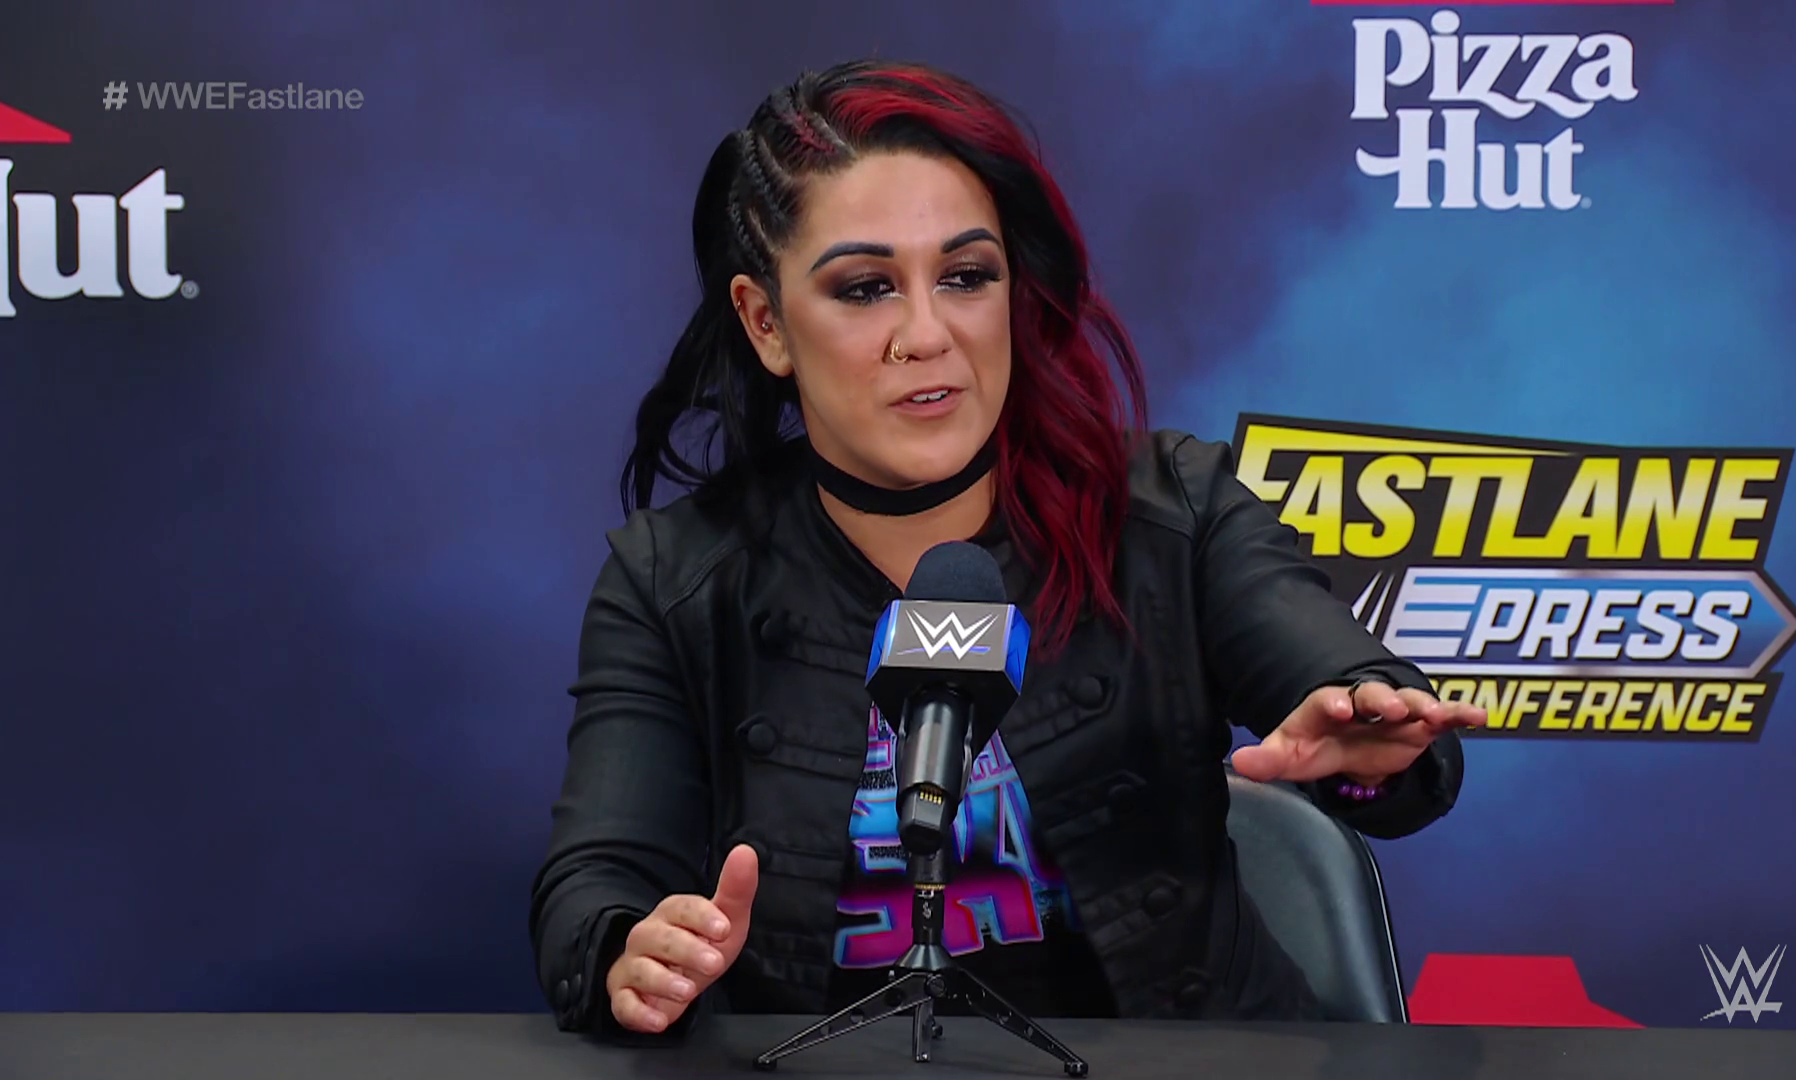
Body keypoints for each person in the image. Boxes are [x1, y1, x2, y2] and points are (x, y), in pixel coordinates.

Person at [529, 58, 1486, 1040]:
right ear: (766, 322)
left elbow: (1353, 704)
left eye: (965, 276)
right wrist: (631, 953)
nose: (927, 334)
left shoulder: (1175, 509)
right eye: (865, 288)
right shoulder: (673, 581)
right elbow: (596, 886)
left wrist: (1370, 754)